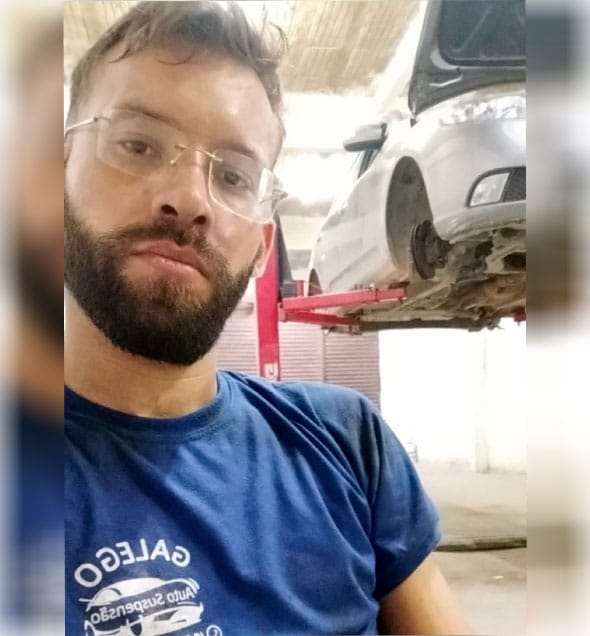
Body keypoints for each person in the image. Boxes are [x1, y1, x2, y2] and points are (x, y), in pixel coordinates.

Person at [64, 2, 473, 634]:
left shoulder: (347, 442)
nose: (189, 199)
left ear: (262, 246)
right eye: (138, 144)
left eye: (233, 175)